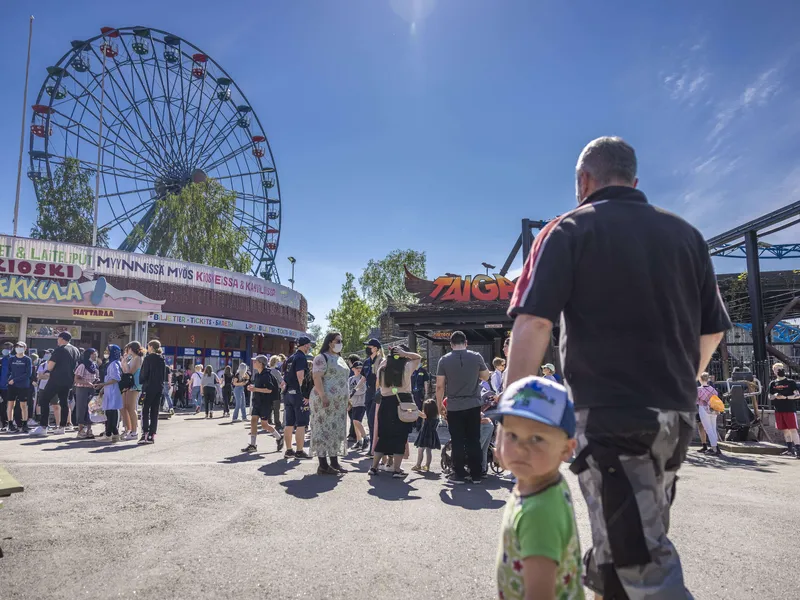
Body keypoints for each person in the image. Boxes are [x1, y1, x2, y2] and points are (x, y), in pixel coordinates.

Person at [505, 136, 731, 599]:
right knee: (623, 546)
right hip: (674, 414)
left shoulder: (568, 230)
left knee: (640, 563)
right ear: (634, 181)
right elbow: (712, 333)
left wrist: (518, 422)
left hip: (611, 417)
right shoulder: (687, 235)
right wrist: (682, 382)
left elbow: (533, 322)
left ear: (584, 180)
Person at [490, 376, 583, 600]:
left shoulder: (539, 513)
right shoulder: (542, 483)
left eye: (537, 438)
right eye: (512, 435)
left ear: (567, 450)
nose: (520, 448)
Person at [436, 331, 490, 484]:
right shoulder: (476, 356)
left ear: (451, 344)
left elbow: (440, 386)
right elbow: (486, 376)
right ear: (466, 342)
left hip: (454, 405)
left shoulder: (444, 360)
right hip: (473, 404)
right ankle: (476, 474)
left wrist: (440, 405)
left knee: (457, 440)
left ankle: (459, 473)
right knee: (474, 439)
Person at [369, 345, 421, 478]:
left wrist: (391, 355)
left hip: (385, 403)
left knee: (384, 436)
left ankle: (374, 467)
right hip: (402, 403)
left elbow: (378, 383)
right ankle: (396, 470)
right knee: (400, 437)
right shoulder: (406, 367)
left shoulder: (382, 368)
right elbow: (418, 357)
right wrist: (405, 353)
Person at [309, 332, 351, 474]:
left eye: (341, 340)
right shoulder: (321, 358)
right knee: (323, 429)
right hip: (324, 401)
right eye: (338, 340)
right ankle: (323, 465)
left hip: (339, 403)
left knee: (336, 430)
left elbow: (344, 381)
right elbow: (317, 377)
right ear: (330, 342)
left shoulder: (339, 358)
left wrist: (348, 398)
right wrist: (323, 396)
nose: (340, 343)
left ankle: (334, 462)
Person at [31, 331, 80, 437]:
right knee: (64, 402)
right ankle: (62, 427)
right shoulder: (75, 350)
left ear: (62, 339)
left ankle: (43, 426)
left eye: (58, 338)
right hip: (68, 380)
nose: (57, 340)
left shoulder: (60, 350)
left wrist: (48, 368)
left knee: (44, 400)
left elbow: (50, 366)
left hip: (56, 379)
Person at [241, 355, 284, 453]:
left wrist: (255, 389)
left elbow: (269, 390)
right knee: (253, 420)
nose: (253, 363)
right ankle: (252, 445)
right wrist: (253, 387)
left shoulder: (267, 375)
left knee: (264, 425)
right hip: (257, 401)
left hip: (265, 403)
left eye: (255, 361)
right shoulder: (257, 375)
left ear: (261, 363)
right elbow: (258, 387)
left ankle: (279, 437)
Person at [282, 337, 313, 460]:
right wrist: (305, 394)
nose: (309, 348)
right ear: (305, 345)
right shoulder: (301, 358)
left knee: (289, 423)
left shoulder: (290, 358)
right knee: (301, 424)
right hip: (298, 394)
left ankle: (289, 450)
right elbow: (300, 376)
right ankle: (299, 451)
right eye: (308, 346)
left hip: (288, 393)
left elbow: (284, 377)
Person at [768, 362, 800, 458]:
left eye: (779, 369)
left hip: (789, 409)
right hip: (778, 409)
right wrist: (775, 396)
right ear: (774, 371)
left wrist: (785, 397)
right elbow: (769, 396)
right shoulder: (773, 383)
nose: (778, 371)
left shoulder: (791, 382)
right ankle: (789, 449)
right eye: (776, 369)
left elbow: (797, 395)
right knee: (785, 430)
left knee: (793, 429)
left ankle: (798, 450)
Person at [139, 340, 167, 443]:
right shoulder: (162, 359)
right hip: (158, 387)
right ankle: (152, 434)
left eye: (148, 346)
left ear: (151, 347)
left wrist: (141, 381)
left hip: (148, 387)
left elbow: (144, 374)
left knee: (145, 410)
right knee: (155, 411)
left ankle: (145, 432)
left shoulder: (148, 359)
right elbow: (163, 375)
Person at [96, 345, 123, 443]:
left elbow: (116, 378)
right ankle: (113, 434)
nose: (105, 352)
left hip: (112, 390)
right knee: (110, 413)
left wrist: (103, 384)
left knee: (111, 413)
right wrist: (103, 388)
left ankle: (109, 434)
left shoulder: (113, 364)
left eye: (108, 351)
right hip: (110, 390)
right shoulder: (115, 363)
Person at [362, 338, 384, 454]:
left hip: (377, 393)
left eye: (369, 347)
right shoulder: (366, 362)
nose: (368, 349)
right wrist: (354, 390)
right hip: (368, 393)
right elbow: (364, 377)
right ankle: (372, 447)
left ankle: (375, 448)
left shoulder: (381, 361)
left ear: (376, 348)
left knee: (373, 419)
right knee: (370, 422)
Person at [6, 341, 32, 433]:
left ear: (25, 348)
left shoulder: (27, 359)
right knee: (10, 404)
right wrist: (8, 380)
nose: (18, 348)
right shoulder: (11, 359)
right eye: (17, 346)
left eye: (21, 346)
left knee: (23, 405)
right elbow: (8, 371)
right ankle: (10, 424)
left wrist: (15, 380)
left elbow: (28, 374)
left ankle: (24, 424)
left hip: (23, 385)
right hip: (12, 385)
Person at [73, 348, 99, 439]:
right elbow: (77, 378)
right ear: (90, 355)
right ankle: (80, 430)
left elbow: (96, 376)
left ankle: (89, 429)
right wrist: (87, 382)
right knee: (81, 408)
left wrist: (96, 382)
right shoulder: (82, 365)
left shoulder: (94, 365)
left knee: (91, 409)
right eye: (94, 354)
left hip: (91, 390)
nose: (96, 355)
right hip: (82, 389)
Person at [121, 342, 144, 440]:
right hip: (129, 384)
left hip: (134, 385)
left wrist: (125, 363)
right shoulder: (132, 358)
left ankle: (134, 431)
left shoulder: (137, 358)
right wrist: (124, 362)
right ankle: (129, 429)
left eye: (128, 348)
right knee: (125, 406)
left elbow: (130, 372)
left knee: (131, 407)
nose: (127, 351)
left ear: (132, 348)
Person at [695, 373, 722, 456]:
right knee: (713, 429)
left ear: (700, 379)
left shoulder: (699, 390)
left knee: (708, 429)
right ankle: (715, 447)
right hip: (713, 410)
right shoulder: (713, 389)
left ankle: (715, 448)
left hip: (703, 409)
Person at [411, 399, 441, 472]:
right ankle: (427, 465)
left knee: (420, 450)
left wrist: (414, 409)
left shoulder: (427, 416)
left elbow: (420, 414)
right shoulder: (436, 416)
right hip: (432, 435)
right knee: (428, 451)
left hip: (425, 435)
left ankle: (418, 465)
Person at [348, 361, 368, 450]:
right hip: (353, 403)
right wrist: (348, 401)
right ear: (353, 369)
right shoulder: (351, 379)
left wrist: (352, 393)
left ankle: (366, 438)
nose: (359, 369)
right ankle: (359, 441)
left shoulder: (363, 378)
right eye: (357, 368)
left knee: (357, 421)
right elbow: (347, 390)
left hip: (361, 403)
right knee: (354, 423)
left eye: (360, 368)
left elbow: (362, 390)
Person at [411, 361, 430, 431]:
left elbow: (425, 382)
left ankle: (418, 426)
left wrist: (426, 393)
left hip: (419, 392)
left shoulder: (423, 371)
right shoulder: (412, 370)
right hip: (412, 392)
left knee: (418, 408)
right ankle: (412, 424)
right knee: (412, 408)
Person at [267, 356, 284, 431]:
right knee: (276, 409)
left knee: (269, 407)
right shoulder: (276, 372)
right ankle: (277, 423)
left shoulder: (267, 371)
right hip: (276, 392)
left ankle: (269, 420)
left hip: (267, 392)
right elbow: (281, 382)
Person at [0, 341, 13, 431]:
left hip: (8, 387)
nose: (5, 350)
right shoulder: (1, 359)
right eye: (4, 348)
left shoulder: (13, 359)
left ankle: (7, 423)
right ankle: (3, 423)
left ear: (11, 349)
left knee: (7, 406)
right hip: (0, 387)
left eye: (8, 348)